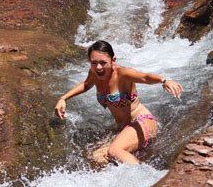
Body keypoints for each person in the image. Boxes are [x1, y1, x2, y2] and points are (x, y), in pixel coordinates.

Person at [54, 40, 183, 165]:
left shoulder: (123, 74)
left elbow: (144, 77)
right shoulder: (94, 73)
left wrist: (164, 80)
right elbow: (86, 84)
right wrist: (63, 98)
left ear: (113, 60)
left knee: (114, 151)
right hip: (123, 128)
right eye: (94, 63)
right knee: (96, 157)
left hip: (141, 122)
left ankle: (148, 177)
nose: (98, 67)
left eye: (103, 63)